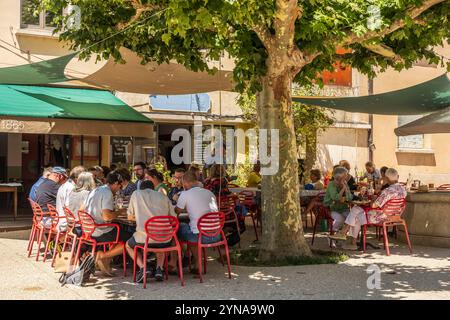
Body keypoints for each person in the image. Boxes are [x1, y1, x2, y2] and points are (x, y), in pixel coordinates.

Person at [330, 168, 407, 250]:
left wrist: (373, 199)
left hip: (383, 217)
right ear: (397, 177)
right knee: (356, 211)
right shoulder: (403, 189)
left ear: (387, 178)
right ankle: (349, 239)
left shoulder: (388, 191)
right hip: (396, 215)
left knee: (356, 212)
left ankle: (348, 237)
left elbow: (374, 205)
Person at [169, 171, 220, 273]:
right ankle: (195, 263)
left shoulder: (185, 194)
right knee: (192, 229)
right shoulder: (210, 193)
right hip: (217, 234)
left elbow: (176, 213)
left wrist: (178, 201)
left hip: (201, 236)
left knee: (175, 229)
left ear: (186, 183)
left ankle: (173, 263)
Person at [84, 171, 133, 275]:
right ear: (115, 183)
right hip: (100, 230)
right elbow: (107, 217)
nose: (119, 189)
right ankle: (103, 256)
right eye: (119, 186)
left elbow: (83, 208)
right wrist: (120, 212)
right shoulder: (107, 193)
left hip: (89, 229)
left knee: (120, 230)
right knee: (132, 239)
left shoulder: (95, 190)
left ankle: (106, 259)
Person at [125, 187, 177, 282]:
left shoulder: (136, 194)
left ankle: (143, 267)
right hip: (165, 238)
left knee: (128, 245)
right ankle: (159, 269)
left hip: (145, 239)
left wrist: (142, 217)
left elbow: (129, 217)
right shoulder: (163, 196)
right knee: (160, 240)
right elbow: (173, 217)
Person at [323, 166, 353, 246]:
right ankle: (331, 236)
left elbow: (350, 197)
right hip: (331, 208)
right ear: (338, 177)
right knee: (340, 219)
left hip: (343, 208)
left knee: (352, 218)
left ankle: (342, 236)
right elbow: (335, 197)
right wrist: (343, 188)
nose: (347, 177)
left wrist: (346, 189)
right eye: (345, 175)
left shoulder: (345, 183)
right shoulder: (331, 184)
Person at [56, 166, 86, 231]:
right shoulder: (71, 187)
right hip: (66, 222)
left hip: (61, 219)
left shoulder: (64, 185)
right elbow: (69, 207)